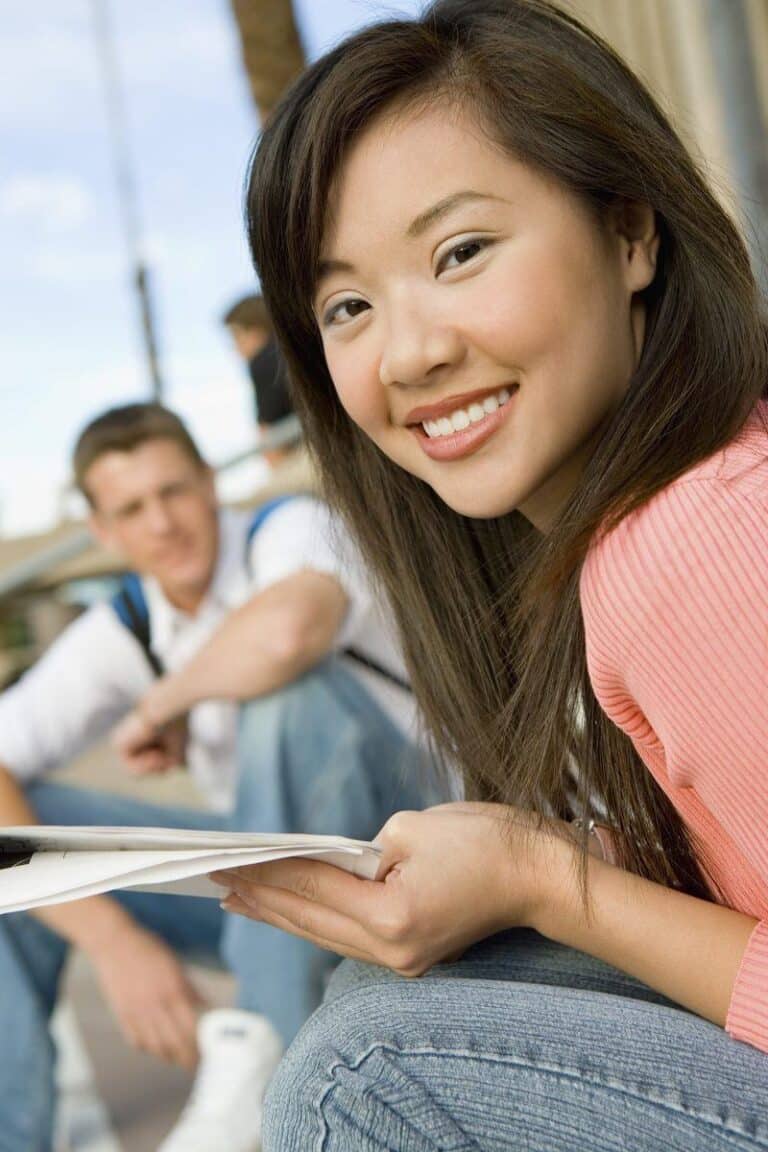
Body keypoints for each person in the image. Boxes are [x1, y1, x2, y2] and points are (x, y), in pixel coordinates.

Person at [214, 1, 768, 1148]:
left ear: (630, 235)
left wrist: (541, 874)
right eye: (349, 305)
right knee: (393, 997)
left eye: (460, 253)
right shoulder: (659, 519)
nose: (410, 351)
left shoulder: (700, 537)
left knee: (364, 1074)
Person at [0, 402, 432, 1152]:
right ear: (104, 530)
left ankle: (262, 1050)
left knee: (283, 689)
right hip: (271, 884)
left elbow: (289, 630)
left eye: (173, 491)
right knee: (21, 844)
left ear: (210, 485)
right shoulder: (125, 628)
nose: (161, 523)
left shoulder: (287, 529)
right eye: (132, 508)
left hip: (411, 843)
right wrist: (111, 939)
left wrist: (164, 702)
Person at [222, 293, 296, 466]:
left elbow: (269, 437)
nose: (235, 348)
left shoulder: (262, 360)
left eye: (237, 337)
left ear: (257, 329)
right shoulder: (294, 350)